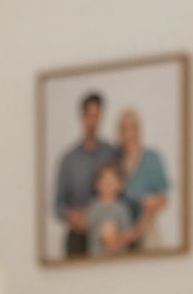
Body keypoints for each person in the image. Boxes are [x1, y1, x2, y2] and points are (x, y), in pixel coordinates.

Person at [53, 90, 118, 258]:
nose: (93, 121)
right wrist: (72, 216)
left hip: (107, 233)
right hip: (78, 236)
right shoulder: (69, 159)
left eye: (97, 116)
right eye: (89, 115)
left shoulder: (111, 153)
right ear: (81, 116)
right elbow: (58, 205)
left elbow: (120, 190)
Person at [116, 107, 170, 250]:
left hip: (147, 226)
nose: (128, 133)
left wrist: (137, 230)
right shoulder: (115, 159)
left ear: (139, 130)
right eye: (124, 129)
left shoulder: (152, 158)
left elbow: (163, 199)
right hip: (120, 229)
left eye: (132, 128)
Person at [85, 160, 134, 257]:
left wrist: (115, 239)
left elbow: (127, 234)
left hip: (118, 258)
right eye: (104, 180)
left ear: (120, 185)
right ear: (97, 184)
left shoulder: (122, 209)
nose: (108, 184)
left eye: (112, 181)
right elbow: (87, 227)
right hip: (96, 257)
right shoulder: (93, 207)